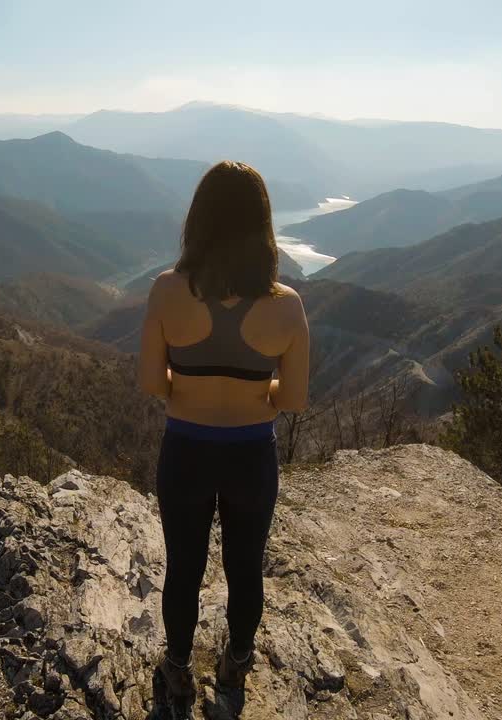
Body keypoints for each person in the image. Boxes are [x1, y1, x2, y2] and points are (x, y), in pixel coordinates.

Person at [137, 160, 310, 712]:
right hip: (250, 456)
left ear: (199, 220)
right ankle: (236, 663)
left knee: (183, 567)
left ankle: (179, 669)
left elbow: (150, 382)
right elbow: (294, 399)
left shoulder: (167, 291)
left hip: (185, 451)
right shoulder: (286, 306)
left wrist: (190, 383)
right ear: (261, 224)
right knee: (244, 566)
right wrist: (256, 385)